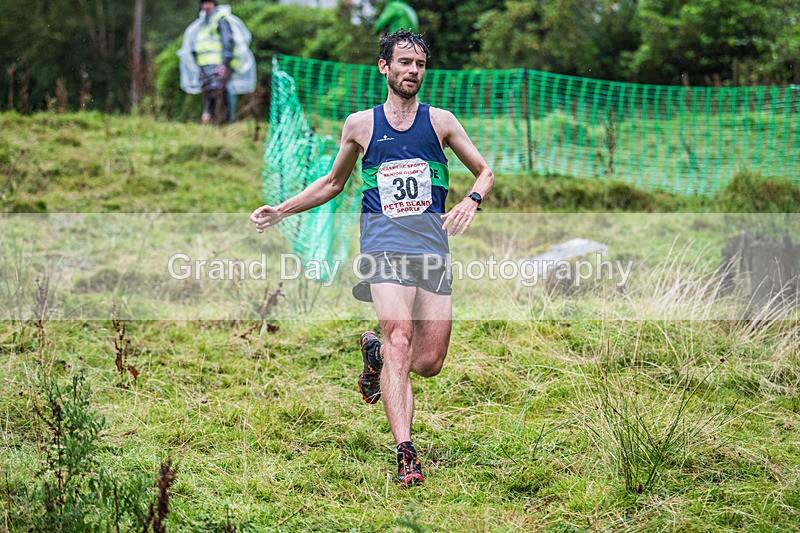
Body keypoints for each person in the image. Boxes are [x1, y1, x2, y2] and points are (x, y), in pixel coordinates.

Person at [250, 30, 494, 486]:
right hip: (383, 247)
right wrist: (281, 210)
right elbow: (331, 183)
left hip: (431, 248)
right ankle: (406, 452)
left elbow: (484, 170)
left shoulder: (441, 122)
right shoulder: (361, 125)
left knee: (429, 361)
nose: (412, 71)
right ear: (384, 67)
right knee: (401, 340)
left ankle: (375, 354)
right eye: (403, 62)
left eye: (419, 64)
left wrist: (471, 200)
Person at [193, 0, 234, 124]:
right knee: (208, 94)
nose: (206, 6)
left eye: (208, 3)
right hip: (205, 65)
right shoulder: (204, 22)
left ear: (215, 4)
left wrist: (225, 63)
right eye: (203, 3)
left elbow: (228, 41)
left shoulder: (220, 19)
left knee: (219, 93)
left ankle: (225, 122)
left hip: (218, 64)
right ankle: (211, 121)